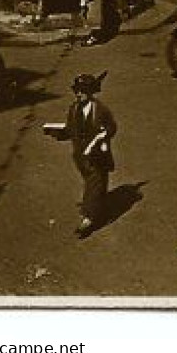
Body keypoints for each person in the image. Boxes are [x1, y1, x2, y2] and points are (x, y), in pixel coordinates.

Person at [46, 73, 118, 238]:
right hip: (80, 157)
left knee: (95, 183)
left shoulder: (100, 110)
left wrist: (102, 136)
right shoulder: (74, 109)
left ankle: (88, 218)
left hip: (97, 155)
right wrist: (56, 132)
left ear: (91, 92)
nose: (78, 95)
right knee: (95, 184)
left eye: (82, 91)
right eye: (77, 91)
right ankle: (100, 209)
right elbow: (70, 130)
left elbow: (112, 127)